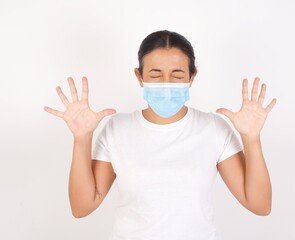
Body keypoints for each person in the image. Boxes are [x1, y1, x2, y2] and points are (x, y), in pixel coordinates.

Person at [44, 30, 277, 240]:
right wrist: (82, 139)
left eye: (177, 75)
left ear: (192, 77)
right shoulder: (117, 129)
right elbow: (82, 207)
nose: (166, 83)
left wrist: (252, 139)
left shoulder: (214, 129)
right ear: (139, 77)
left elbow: (259, 205)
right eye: (155, 75)